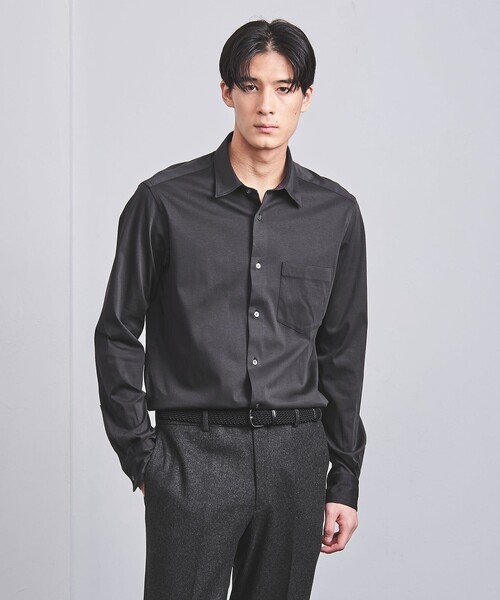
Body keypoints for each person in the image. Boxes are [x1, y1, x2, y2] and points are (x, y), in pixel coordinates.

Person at [94, 17, 368, 600]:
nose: (266, 105)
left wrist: (343, 477)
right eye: (251, 85)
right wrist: (143, 458)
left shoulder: (336, 214)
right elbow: (117, 332)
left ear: (306, 97)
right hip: (192, 454)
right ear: (227, 92)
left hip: (296, 457)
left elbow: (342, 351)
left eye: (284, 88)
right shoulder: (162, 202)